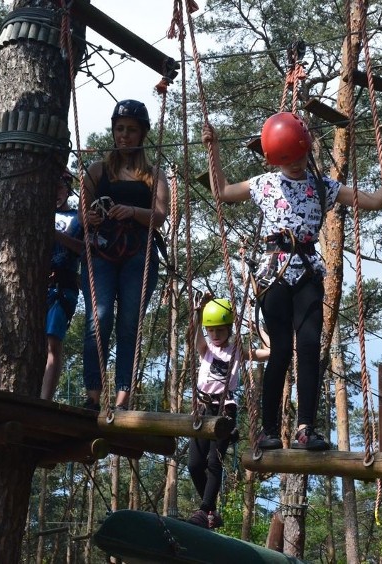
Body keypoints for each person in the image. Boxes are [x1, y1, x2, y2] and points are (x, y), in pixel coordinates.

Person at [201, 112, 382, 451]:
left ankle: (305, 427)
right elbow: (221, 191)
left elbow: (376, 200)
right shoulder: (264, 184)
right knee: (279, 352)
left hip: (306, 270)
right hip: (274, 273)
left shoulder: (324, 187)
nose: (295, 165)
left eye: (300, 157)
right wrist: (212, 148)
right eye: (287, 161)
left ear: (307, 149)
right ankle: (269, 430)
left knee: (307, 347)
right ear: (276, 159)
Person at [80, 99, 169, 411]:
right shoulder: (96, 171)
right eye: (120, 129)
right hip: (101, 252)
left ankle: (122, 397)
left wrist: (131, 210)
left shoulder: (153, 175)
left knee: (129, 323)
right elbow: (83, 211)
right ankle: (92, 394)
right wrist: (89, 218)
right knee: (99, 319)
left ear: (142, 134)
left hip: (138, 253)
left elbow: (159, 216)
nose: (124, 135)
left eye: (131, 130)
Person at [188, 297, 269, 529]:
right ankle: (211, 510)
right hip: (203, 408)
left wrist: (257, 329)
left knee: (214, 461)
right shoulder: (206, 349)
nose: (215, 335)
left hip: (225, 408)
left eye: (220, 330)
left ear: (229, 329)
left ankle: (205, 511)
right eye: (211, 330)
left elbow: (270, 351)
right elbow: (196, 337)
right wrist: (198, 312)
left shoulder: (238, 352)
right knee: (194, 464)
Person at [41, 169, 85, 401]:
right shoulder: (37, 212)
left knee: (52, 344)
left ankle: (44, 399)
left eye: (60, 187)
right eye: (53, 187)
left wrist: (57, 236)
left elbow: (84, 248)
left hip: (62, 285)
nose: (56, 193)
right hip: (37, 285)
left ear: (68, 189)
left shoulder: (78, 217)